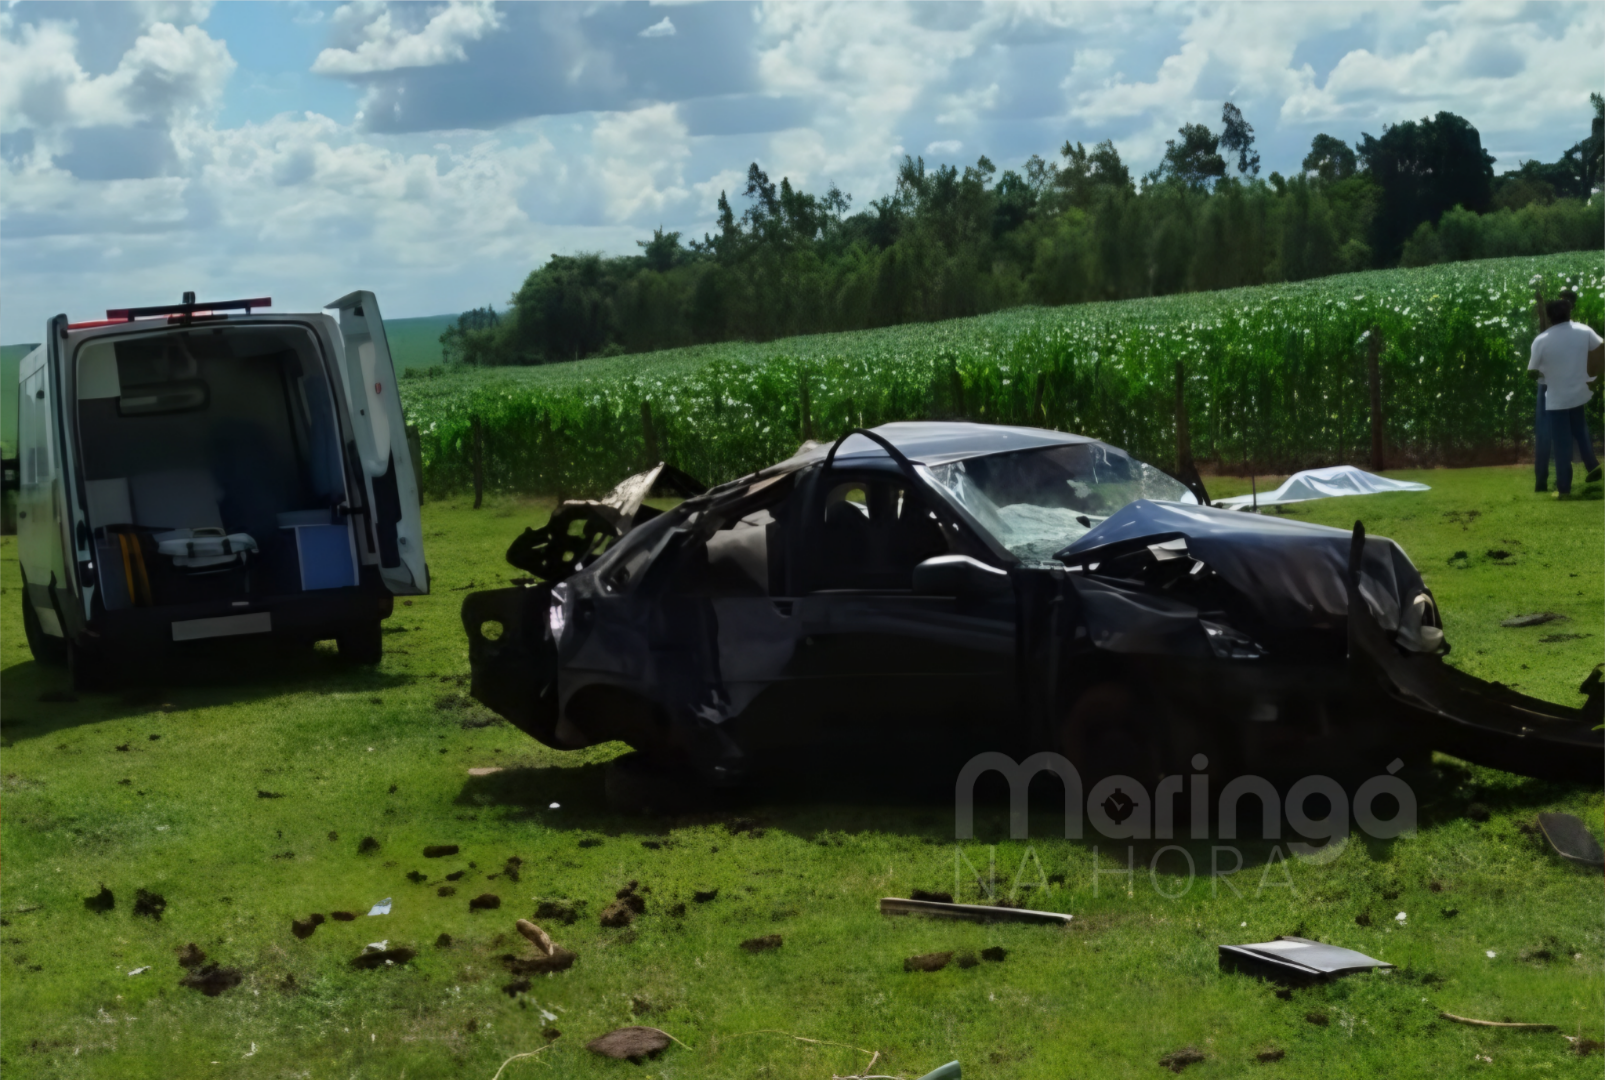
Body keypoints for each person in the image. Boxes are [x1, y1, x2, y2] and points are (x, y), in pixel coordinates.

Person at [1527, 298, 1604, 497]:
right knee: (1580, 429)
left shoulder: (1542, 340)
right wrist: (1597, 380)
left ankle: (1563, 489)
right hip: (1579, 394)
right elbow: (1602, 349)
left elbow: (1532, 372)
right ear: (1569, 312)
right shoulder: (1584, 331)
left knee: (1561, 443)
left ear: (1549, 316)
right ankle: (1592, 465)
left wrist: (1545, 371)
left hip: (1556, 398)